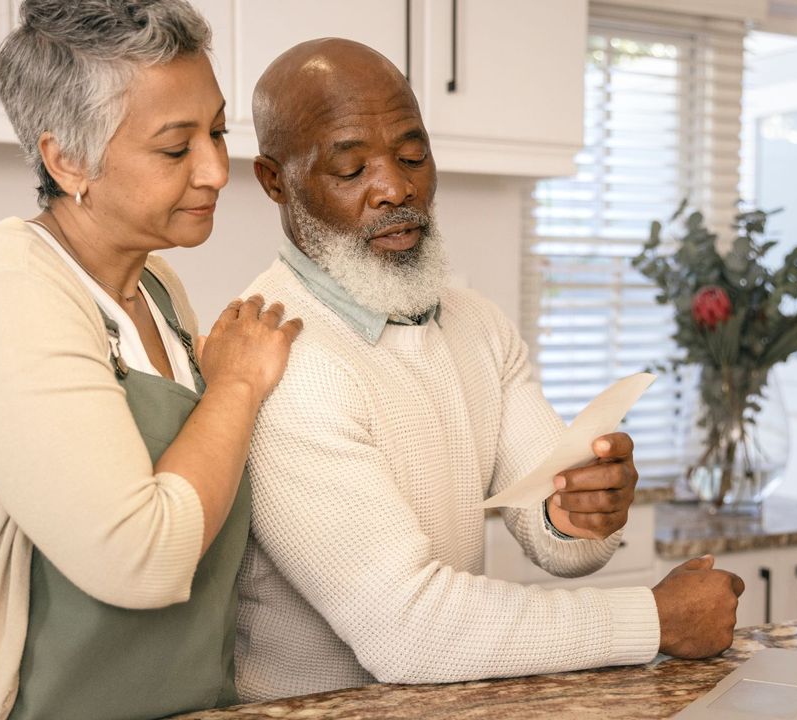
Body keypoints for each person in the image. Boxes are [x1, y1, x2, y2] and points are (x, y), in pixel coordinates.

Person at [234, 38, 745, 702]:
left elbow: (552, 532)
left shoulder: (476, 323)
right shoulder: (279, 355)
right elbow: (407, 629)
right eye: (353, 168)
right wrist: (655, 618)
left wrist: (584, 510)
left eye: (413, 156)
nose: (396, 187)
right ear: (276, 181)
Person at [0, 2, 302, 718]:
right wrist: (234, 384)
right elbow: (143, 558)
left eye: (218, 132)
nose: (216, 171)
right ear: (66, 159)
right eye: (175, 148)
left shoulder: (158, 287)